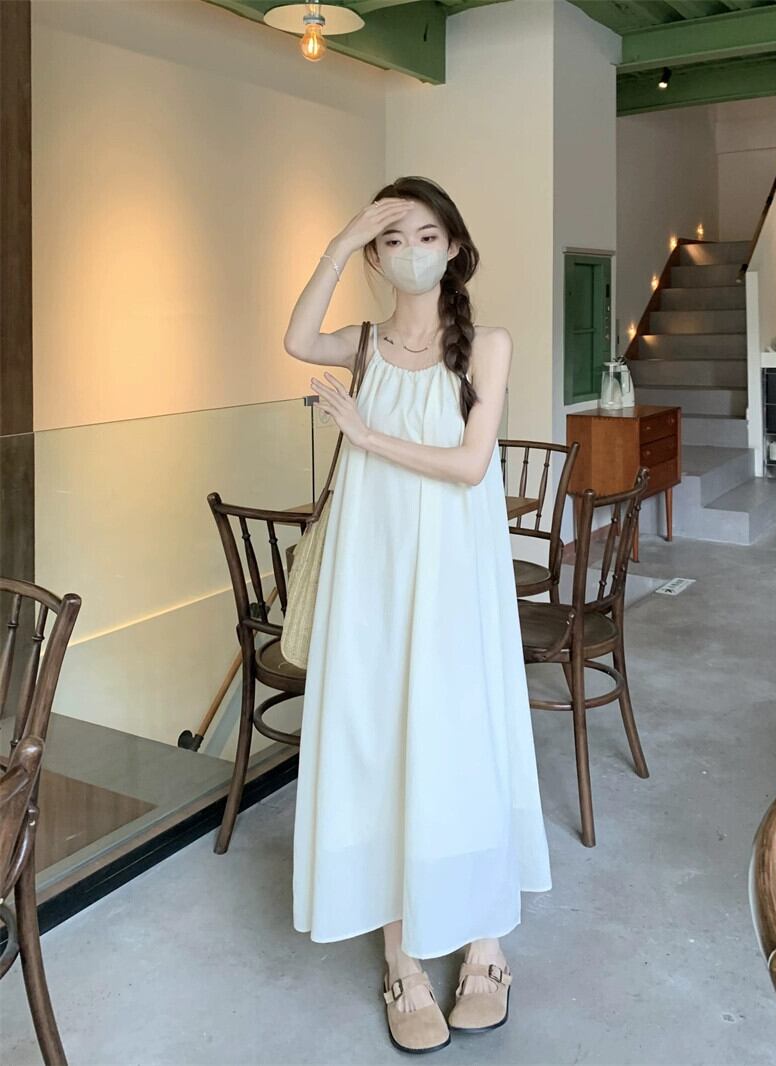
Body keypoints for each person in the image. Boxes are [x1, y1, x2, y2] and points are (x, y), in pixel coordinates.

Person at [282, 176, 551, 1054]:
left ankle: (484, 942)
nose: (410, 253)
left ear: (455, 249)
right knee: (382, 743)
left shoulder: (488, 346)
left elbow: (471, 466)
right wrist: (341, 239)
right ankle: (401, 954)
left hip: (457, 579)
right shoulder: (362, 345)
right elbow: (295, 338)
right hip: (373, 573)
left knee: (464, 740)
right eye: (392, 239)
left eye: (426, 236)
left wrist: (365, 436)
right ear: (375, 254)